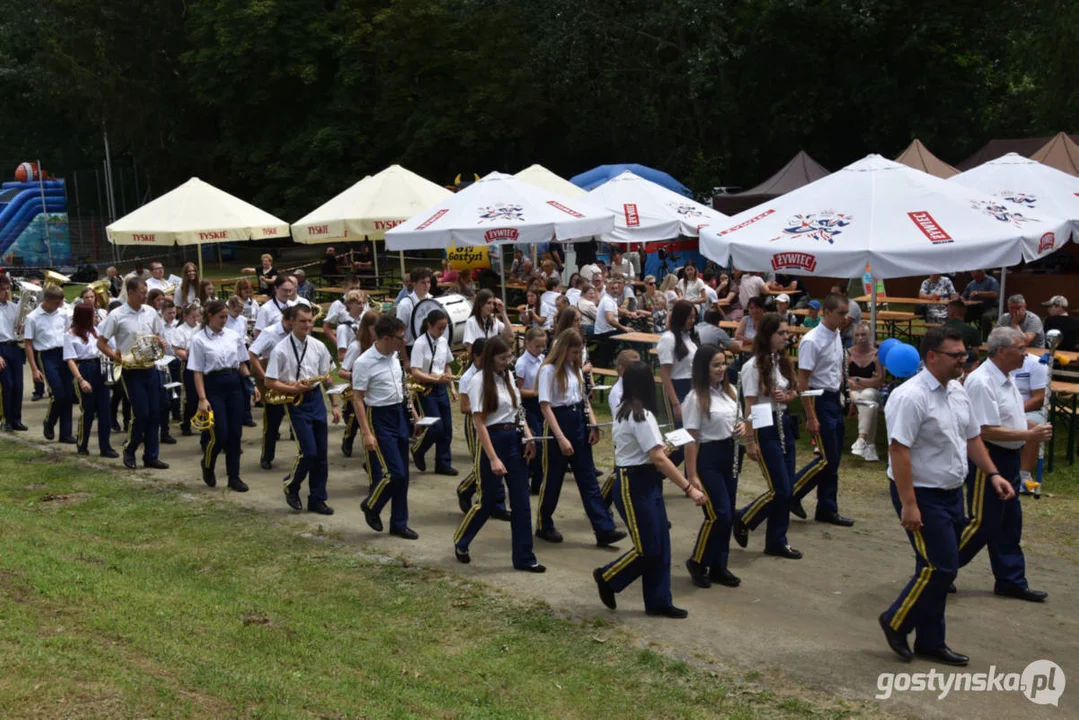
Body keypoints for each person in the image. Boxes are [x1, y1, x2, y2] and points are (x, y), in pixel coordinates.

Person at [878, 327, 1014, 666]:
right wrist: (909, 504)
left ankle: (931, 641)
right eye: (956, 355)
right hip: (922, 493)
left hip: (952, 492)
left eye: (964, 354)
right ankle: (895, 620)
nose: (963, 360)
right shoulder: (910, 396)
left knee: (935, 568)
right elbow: (899, 451)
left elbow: (972, 439)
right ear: (932, 357)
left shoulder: (957, 391)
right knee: (942, 567)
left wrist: (993, 473)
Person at [593, 361, 706, 618]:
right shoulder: (639, 414)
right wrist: (688, 487)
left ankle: (658, 600)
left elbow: (650, 452)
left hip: (645, 480)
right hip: (635, 485)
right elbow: (657, 458)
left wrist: (661, 450)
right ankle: (608, 577)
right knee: (648, 548)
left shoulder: (633, 411)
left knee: (660, 544)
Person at [956, 327, 1051, 602]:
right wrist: (1028, 434)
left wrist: (1026, 427)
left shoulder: (1006, 378)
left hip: (1008, 457)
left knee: (1009, 521)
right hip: (989, 457)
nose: (1025, 353)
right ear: (1000, 351)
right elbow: (983, 430)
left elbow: (1007, 416)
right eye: (1020, 349)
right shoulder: (982, 381)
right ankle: (940, 566)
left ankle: (1011, 579)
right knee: (982, 522)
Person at [453, 336, 545, 571]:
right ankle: (462, 540)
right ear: (490, 358)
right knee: (488, 501)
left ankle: (525, 558)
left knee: (521, 502)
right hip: (493, 440)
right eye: (502, 358)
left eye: (509, 357)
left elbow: (518, 410)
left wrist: (528, 435)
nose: (508, 361)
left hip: (514, 438)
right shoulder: (478, 382)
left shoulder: (508, 377)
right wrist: (493, 458)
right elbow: (480, 423)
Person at [536, 329, 624, 546]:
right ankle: (544, 524)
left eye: (579, 353)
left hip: (578, 421)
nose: (577, 357)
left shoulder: (575, 369)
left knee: (588, 480)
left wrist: (592, 424)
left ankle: (604, 529)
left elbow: (583, 399)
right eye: (574, 352)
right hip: (559, 421)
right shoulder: (548, 370)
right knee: (553, 479)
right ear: (564, 349)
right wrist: (560, 437)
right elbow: (545, 406)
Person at [732, 313, 802, 559]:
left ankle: (776, 540)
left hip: (783, 421)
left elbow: (794, 391)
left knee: (788, 487)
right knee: (780, 488)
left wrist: (789, 396)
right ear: (768, 335)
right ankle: (745, 517)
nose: (786, 337)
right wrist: (750, 440)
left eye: (785, 333)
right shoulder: (753, 366)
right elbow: (750, 404)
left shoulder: (782, 361)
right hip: (764, 424)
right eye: (780, 333)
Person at [265, 303, 340, 515]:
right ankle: (292, 485)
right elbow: (270, 381)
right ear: (291, 322)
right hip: (294, 398)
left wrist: (334, 404)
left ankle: (317, 499)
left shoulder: (318, 346)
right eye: (302, 321)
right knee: (308, 451)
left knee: (322, 454)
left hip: (315, 398)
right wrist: (293, 387)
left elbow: (326, 378)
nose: (307, 325)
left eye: (309, 321)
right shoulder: (280, 349)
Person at [683, 345, 746, 589]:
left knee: (728, 513)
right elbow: (690, 437)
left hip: (730, 454)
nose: (722, 369)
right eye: (716, 365)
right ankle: (698, 561)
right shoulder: (695, 398)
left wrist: (743, 426)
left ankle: (720, 565)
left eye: (723, 364)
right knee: (719, 513)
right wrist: (692, 475)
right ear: (703, 368)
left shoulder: (729, 390)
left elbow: (737, 417)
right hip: (709, 458)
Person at [791, 294, 855, 527]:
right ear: (827, 312)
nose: (844, 317)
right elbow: (803, 380)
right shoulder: (812, 340)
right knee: (827, 458)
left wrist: (846, 397)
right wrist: (811, 415)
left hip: (832, 397)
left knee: (833, 457)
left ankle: (827, 506)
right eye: (840, 313)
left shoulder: (836, 334)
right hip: (819, 398)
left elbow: (838, 370)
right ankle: (793, 492)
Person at [97, 277, 170, 470]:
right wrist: (115, 356)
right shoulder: (117, 315)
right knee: (142, 414)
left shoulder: (151, 312)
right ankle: (130, 450)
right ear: (130, 292)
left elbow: (159, 335)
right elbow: (101, 343)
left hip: (150, 368)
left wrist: (161, 342)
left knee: (155, 414)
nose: (145, 295)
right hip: (131, 371)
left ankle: (151, 456)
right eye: (142, 292)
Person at [356, 315, 417, 539]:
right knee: (395, 473)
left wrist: (413, 414)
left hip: (398, 413)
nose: (403, 341)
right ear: (387, 338)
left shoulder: (395, 356)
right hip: (379, 416)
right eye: (400, 337)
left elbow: (402, 386)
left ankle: (399, 522)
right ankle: (372, 504)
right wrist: (366, 433)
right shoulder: (365, 362)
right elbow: (358, 398)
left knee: (404, 475)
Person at [189, 299, 255, 492]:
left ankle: (234, 476)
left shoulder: (233, 336)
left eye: (226, 317)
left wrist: (251, 385)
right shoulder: (199, 339)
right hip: (214, 386)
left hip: (233, 383)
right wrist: (202, 398)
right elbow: (198, 372)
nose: (225, 320)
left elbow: (242, 364)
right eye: (221, 317)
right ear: (210, 316)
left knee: (235, 434)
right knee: (219, 434)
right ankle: (208, 464)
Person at [456, 339, 509, 516]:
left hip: (495, 424)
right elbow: (464, 407)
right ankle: (466, 489)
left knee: (497, 462)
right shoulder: (468, 377)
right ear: (477, 356)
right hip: (476, 425)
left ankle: (498, 505)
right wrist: (484, 408)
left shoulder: (497, 374)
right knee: (482, 463)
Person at [64, 304, 116, 458]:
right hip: (84, 369)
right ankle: (82, 443)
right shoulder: (70, 335)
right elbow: (70, 360)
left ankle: (105, 447)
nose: (95, 317)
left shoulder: (96, 331)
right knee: (88, 410)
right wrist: (81, 380)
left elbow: (108, 346)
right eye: (92, 315)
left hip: (100, 367)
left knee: (105, 410)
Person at [410, 308, 458, 476]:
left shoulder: (443, 342)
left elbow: (447, 365)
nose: (442, 331)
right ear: (429, 325)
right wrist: (435, 379)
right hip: (426, 388)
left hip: (441, 386)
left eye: (444, 327)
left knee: (447, 428)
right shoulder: (420, 343)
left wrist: (452, 387)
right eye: (439, 327)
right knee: (435, 426)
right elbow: (415, 371)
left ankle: (443, 463)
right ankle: (419, 449)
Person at [248, 306, 296, 470]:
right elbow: (253, 353)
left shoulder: (299, 333)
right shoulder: (270, 332)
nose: (293, 328)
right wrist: (263, 376)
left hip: (293, 381)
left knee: (299, 419)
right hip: (274, 382)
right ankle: (267, 457)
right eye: (291, 325)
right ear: (284, 319)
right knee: (272, 423)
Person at [25, 285, 74, 443]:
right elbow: (28, 344)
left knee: (68, 394)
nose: (59, 305)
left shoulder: (63, 314)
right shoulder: (33, 317)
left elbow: (67, 334)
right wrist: (34, 369)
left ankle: (66, 433)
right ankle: (50, 422)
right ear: (46, 300)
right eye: (56, 302)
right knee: (58, 394)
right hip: (46, 355)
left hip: (64, 353)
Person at [658, 300, 698, 465]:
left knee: (693, 438)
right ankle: (660, 468)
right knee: (681, 439)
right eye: (689, 317)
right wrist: (675, 403)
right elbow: (665, 374)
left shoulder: (689, 336)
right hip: (677, 388)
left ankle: (691, 477)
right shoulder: (668, 339)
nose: (692, 321)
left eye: (694, 317)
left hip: (693, 388)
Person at [337, 309, 379, 458]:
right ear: (367, 328)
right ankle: (348, 440)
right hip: (358, 388)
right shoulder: (356, 346)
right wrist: (357, 377)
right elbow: (341, 372)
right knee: (355, 418)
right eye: (375, 328)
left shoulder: (379, 345)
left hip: (374, 389)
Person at [846, 322, 884, 462]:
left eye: (863, 335)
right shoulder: (848, 353)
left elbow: (880, 380)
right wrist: (866, 382)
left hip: (871, 391)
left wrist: (857, 379)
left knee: (868, 395)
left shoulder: (876, 354)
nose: (860, 338)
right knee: (870, 404)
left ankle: (861, 438)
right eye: (857, 335)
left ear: (870, 336)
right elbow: (842, 378)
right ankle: (870, 445)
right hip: (852, 392)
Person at [515, 327, 547, 495]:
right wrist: (535, 392)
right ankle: (528, 475)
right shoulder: (522, 363)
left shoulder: (542, 359)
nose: (540, 350)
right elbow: (517, 390)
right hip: (528, 404)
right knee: (535, 441)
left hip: (541, 403)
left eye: (543, 346)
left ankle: (538, 480)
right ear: (527, 343)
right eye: (537, 346)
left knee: (544, 441)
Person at [1013, 349, 1049, 494]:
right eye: (1017, 348)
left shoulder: (1036, 364)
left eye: (1022, 347)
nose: (1024, 353)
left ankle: (1024, 476)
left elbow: (1040, 398)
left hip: (1029, 410)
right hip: (998, 409)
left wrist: (1015, 411)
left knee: (1033, 427)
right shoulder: (991, 367)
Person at [0, 274, 27, 431]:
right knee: (7, 384)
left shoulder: (14, 307)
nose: (6, 292)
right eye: (3, 289)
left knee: (18, 385)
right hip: (1, 348)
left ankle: (17, 419)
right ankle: (6, 420)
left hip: (14, 347)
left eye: (8, 288)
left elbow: (20, 328)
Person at [172, 303, 202, 436]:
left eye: (198, 316)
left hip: (202, 364)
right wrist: (191, 356)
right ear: (185, 316)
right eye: (193, 317)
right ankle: (186, 422)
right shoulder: (180, 330)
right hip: (188, 364)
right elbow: (177, 350)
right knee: (192, 397)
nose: (196, 319)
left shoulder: (201, 328)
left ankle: (202, 421)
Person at [463, 289, 513, 358]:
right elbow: (470, 349)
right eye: (488, 303)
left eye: (493, 303)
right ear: (480, 304)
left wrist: (503, 312)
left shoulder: (494, 319)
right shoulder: (471, 322)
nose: (492, 307)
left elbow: (510, 334)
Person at [960, 269, 1000, 339]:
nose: (976, 279)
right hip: (975, 308)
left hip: (991, 307)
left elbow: (995, 294)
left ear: (982, 273)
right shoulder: (971, 283)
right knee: (960, 315)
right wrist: (961, 298)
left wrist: (978, 293)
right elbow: (964, 295)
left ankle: (986, 340)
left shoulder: (992, 281)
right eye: (974, 277)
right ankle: (964, 338)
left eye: (977, 277)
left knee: (986, 317)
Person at [943, 299, 982, 367]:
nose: (947, 313)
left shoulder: (941, 329)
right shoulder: (972, 330)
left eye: (947, 311)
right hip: (964, 363)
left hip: (943, 361)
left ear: (952, 313)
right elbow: (976, 355)